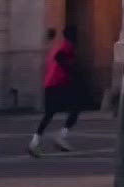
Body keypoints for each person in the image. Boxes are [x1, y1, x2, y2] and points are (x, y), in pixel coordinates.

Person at [29, 25, 86, 156]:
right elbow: (60, 58)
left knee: (50, 113)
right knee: (75, 108)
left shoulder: (59, 46)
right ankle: (60, 136)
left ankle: (35, 142)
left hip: (51, 84)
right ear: (72, 36)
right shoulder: (66, 46)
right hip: (58, 84)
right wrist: (72, 72)